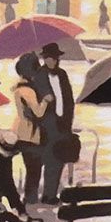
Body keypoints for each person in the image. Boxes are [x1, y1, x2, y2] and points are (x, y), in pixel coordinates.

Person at [33, 42, 75, 204]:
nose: (52, 61)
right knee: (50, 161)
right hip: (47, 126)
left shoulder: (62, 75)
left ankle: (51, 194)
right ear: (44, 59)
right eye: (49, 58)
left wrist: (68, 122)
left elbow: (69, 100)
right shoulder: (40, 75)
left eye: (54, 58)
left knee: (59, 160)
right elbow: (41, 97)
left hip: (63, 124)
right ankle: (46, 195)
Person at [10, 53, 52, 205]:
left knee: (32, 169)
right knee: (34, 170)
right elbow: (39, 112)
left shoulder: (19, 88)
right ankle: (30, 200)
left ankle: (30, 199)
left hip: (22, 133)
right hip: (31, 135)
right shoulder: (28, 91)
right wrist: (46, 100)